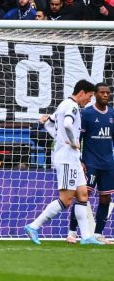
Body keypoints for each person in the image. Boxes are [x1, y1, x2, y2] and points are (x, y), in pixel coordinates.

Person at [25, 79, 104, 245]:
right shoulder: (72, 106)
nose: (89, 101)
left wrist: (60, 138)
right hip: (67, 159)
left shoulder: (64, 104)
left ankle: (87, 237)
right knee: (67, 200)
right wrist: (72, 141)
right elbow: (67, 124)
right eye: (89, 97)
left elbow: (48, 122)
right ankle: (34, 226)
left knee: (82, 195)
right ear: (81, 92)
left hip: (73, 158)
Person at [66, 83, 113, 243]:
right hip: (90, 163)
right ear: (95, 95)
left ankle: (98, 233)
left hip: (108, 164)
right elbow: (77, 139)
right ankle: (72, 232)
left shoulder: (112, 114)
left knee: (106, 199)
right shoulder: (86, 114)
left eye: (108, 93)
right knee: (82, 197)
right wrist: (79, 160)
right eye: (102, 92)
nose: (106, 95)